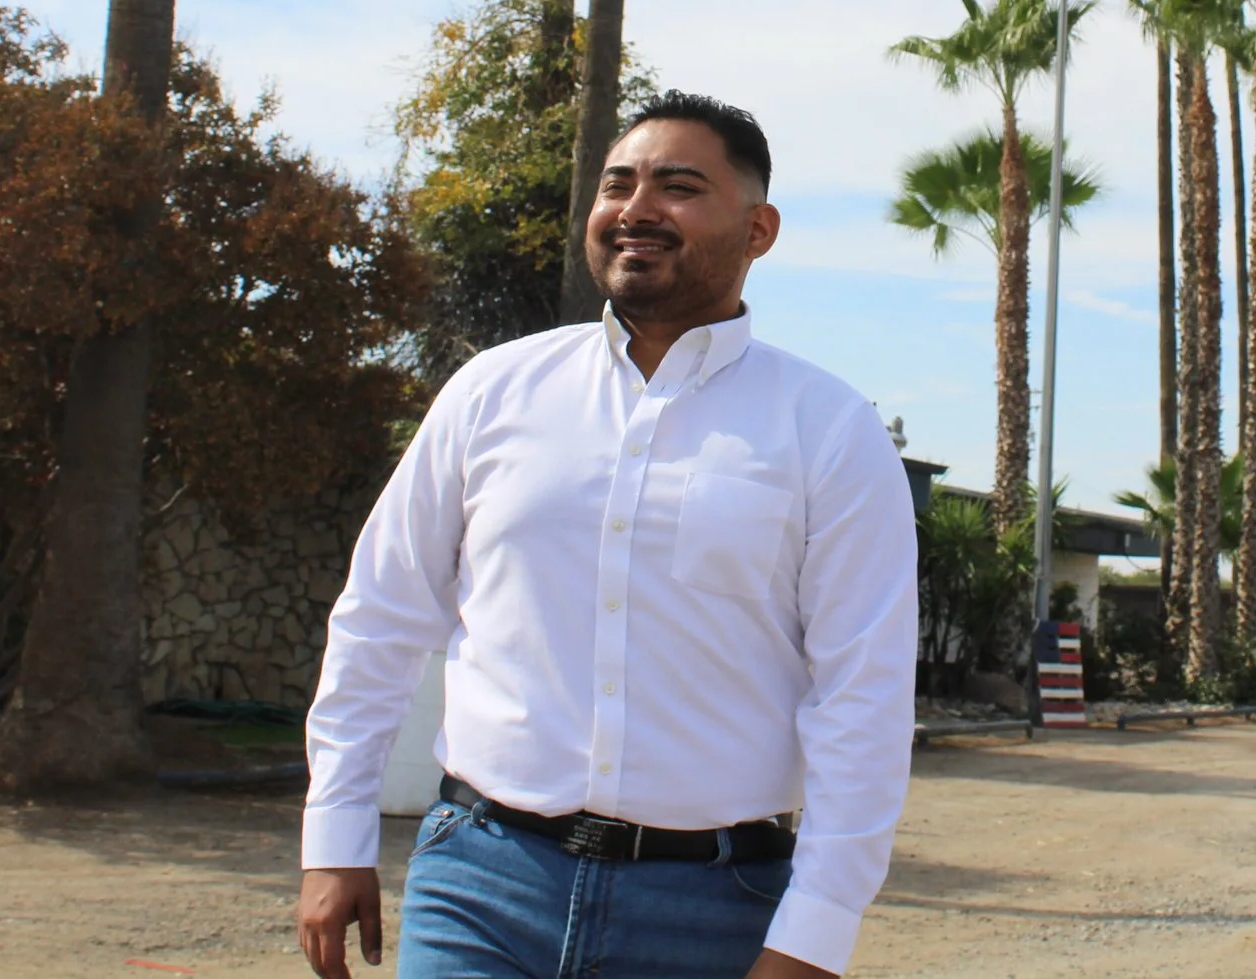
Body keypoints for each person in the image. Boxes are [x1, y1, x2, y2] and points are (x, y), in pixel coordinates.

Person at [296, 92, 917, 979]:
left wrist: (814, 935)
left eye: (678, 186)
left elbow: (865, 696)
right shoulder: (491, 392)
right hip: (480, 883)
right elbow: (381, 614)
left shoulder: (827, 429)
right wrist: (335, 834)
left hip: (714, 910)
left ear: (759, 228)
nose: (636, 208)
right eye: (617, 183)